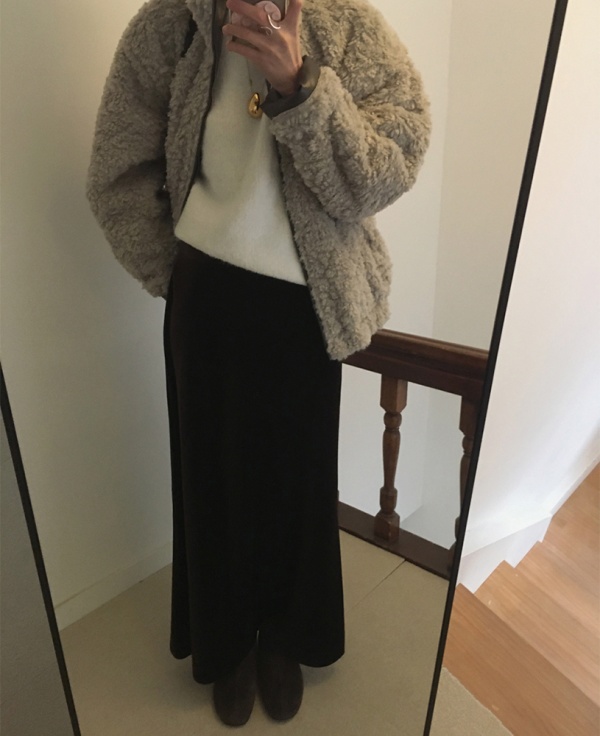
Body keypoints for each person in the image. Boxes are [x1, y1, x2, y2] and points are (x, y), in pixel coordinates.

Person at [86, 0, 430, 727]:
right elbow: (116, 170)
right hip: (206, 294)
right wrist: (171, 268)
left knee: (298, 482)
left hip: (307, 299)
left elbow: (389, 166)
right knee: (210, 479)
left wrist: (301, 88)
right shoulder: (170, 25)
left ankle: (285, 639)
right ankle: (227, 645)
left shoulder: (350, 25)